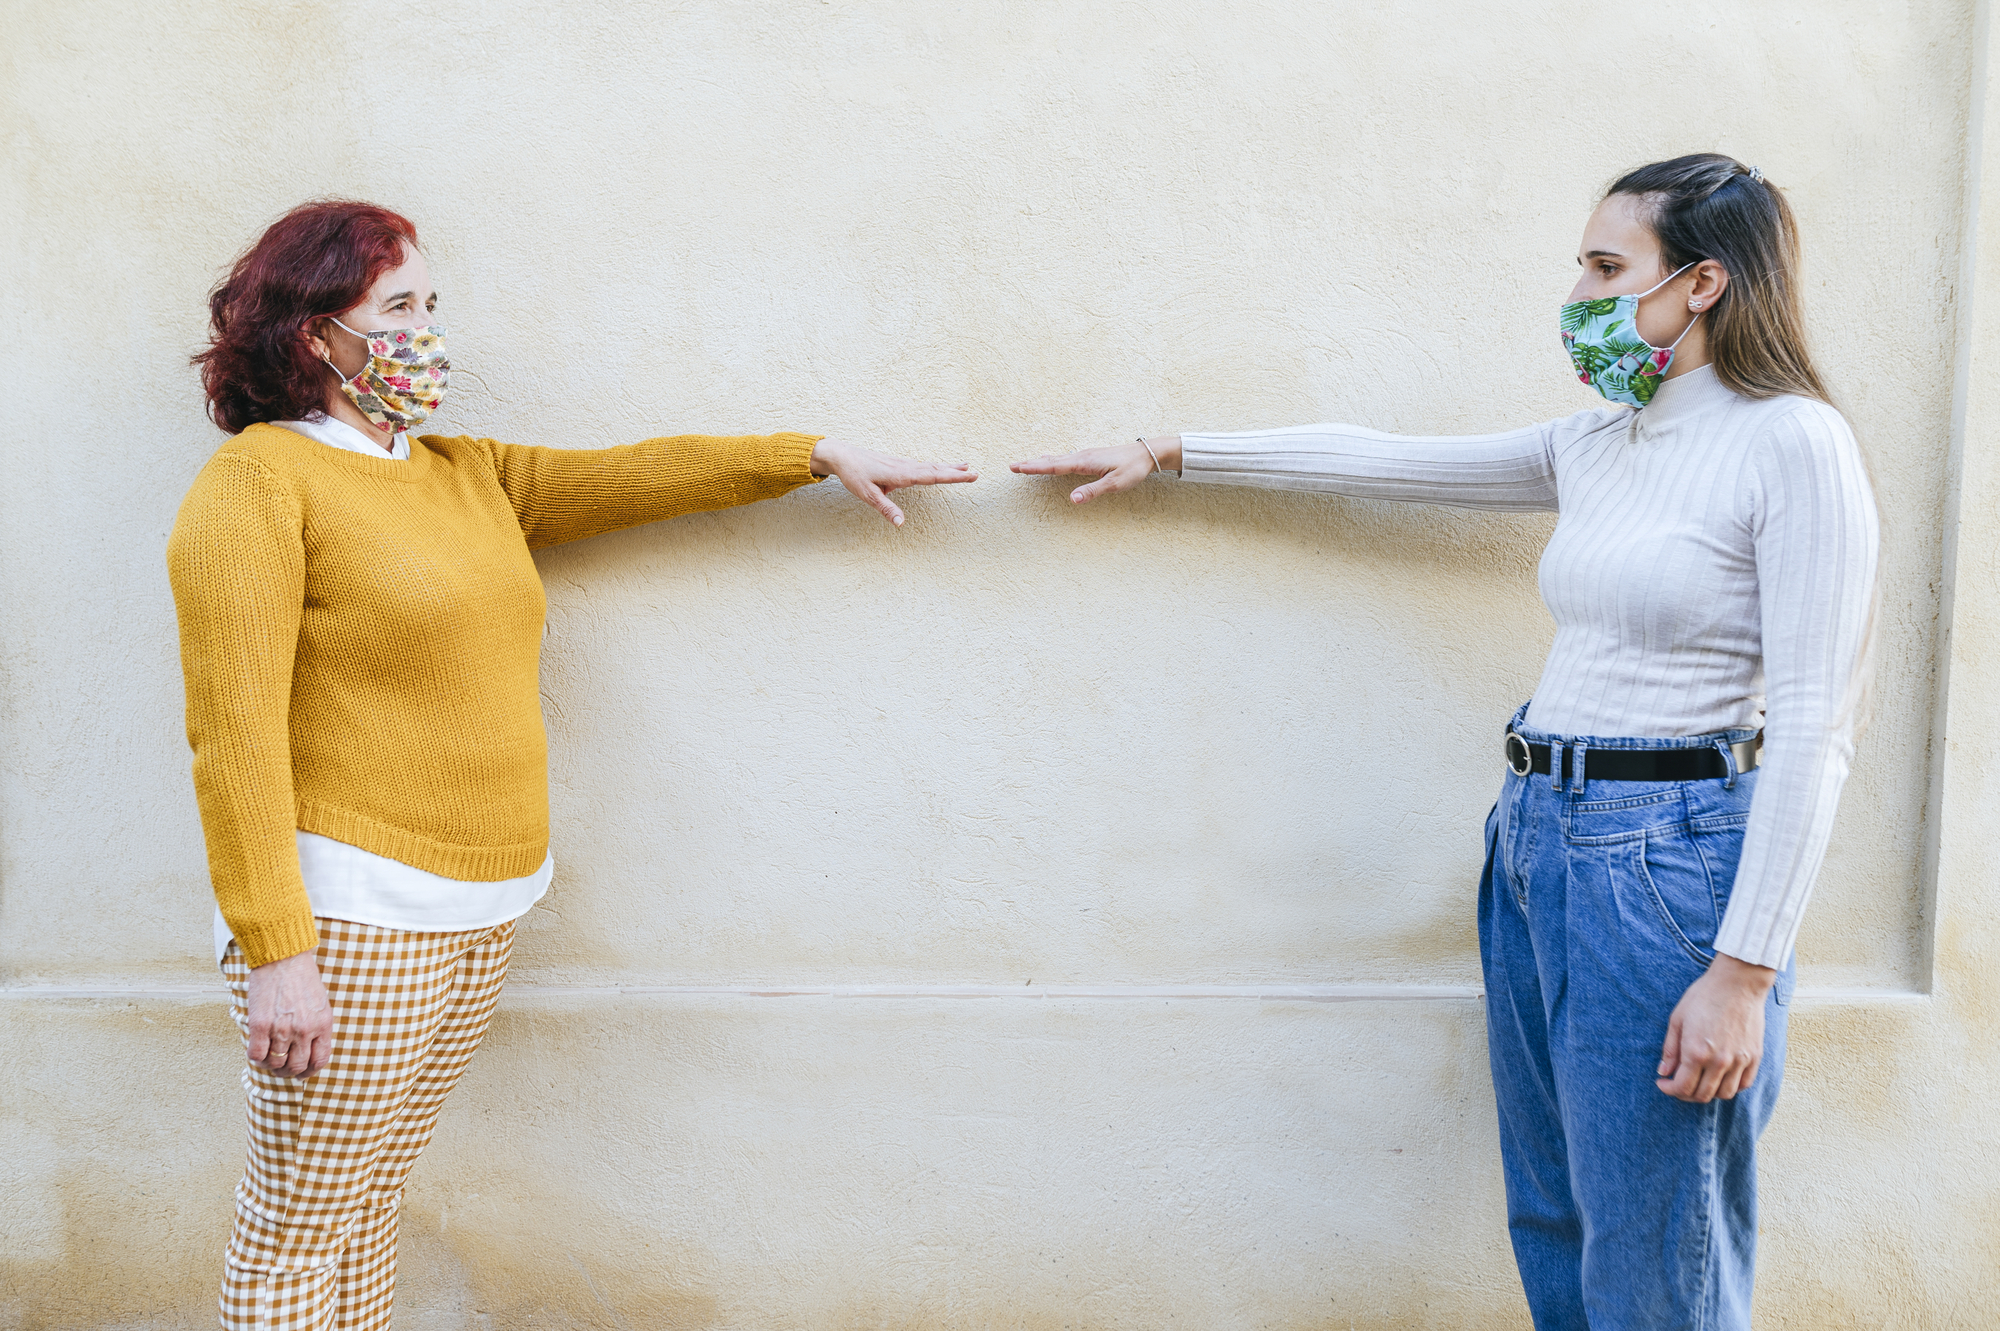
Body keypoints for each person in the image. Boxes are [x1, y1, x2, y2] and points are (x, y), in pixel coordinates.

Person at [1012, 153, 1877, 1330]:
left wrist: (1744, 971)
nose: (1577, 293)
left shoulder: (1792, 444)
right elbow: (1386, 459)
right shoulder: (1599, 443)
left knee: (1654, 1239)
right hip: (1534, 840)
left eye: (1605, 266)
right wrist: (1172, 450)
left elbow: (1820, 722)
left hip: (1667, 866)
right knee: (1554, 1214)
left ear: (1704, 282)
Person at [168, 199, 975, 1330]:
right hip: (352, 920)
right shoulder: (258, 483)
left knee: (366, 1211)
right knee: (295, 1239)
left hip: (481, 906)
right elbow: (231, 735)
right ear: (314, 335)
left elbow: (637, 476)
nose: (427, 332)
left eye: (431, 306)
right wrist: (277, 953)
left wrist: (807, 454)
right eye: (398, 308)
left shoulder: (462, 473)